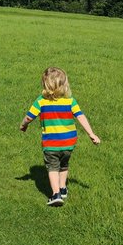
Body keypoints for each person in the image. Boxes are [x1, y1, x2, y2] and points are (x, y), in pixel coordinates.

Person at [19, 66, 100, 206]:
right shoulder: (70, 101)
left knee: (52, 167)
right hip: (69, 143)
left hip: (51, 143)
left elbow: (28, 117)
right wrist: (91, 134)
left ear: (45, 84)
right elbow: (81, 117)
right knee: (64, 164)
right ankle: (63, 188)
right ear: (64, 84)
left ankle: (55, 194)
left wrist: (23, 125)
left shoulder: (41, 101)